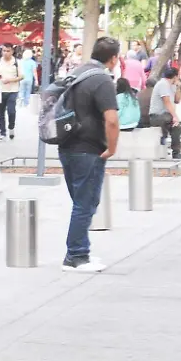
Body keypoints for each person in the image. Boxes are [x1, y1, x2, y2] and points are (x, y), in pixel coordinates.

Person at [57, 37, 123, 273]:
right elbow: (112, 119)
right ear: (113, 58)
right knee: (85, 203)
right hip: (88, 148)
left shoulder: (78, 73)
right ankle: (76, 256)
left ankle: (79, 251)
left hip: (66, 144)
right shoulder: (102, 79)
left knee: (81, 202)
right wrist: (112, 147)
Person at [146, 64, 181, 160]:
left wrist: (179, 87)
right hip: (157, 116)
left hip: (167, 116)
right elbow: (167, 102)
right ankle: (176, 152)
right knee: (176, 125)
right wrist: (175, 117)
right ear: (175, 76)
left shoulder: (172, 85)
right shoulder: (162, 84)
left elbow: (177, 100)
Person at [0, 45, 23, 139]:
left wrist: (10, 80)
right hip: (0, 90)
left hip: (12, 90)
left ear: (12, 51)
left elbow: (21, 76)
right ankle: (2, 132)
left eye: (8, 51)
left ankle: (11, 127)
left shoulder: (17, 62)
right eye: (4, 51)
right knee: (0, 113)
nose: (5, 53)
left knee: (11, 111)